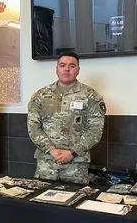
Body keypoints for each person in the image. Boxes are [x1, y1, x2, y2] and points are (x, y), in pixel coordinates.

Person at [27, 50, 106, 184]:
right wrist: (51, 150)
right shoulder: (40, 96)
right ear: (56, 69)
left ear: (78, 70)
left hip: (76, 165)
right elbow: (33, 127)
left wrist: (72, 153)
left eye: (72, 66)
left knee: (75, 200)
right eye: (62, 65)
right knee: (41, 201)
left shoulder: (91, 97)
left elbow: (94, 131)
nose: (66, 69)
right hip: (46, 163)